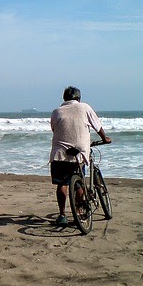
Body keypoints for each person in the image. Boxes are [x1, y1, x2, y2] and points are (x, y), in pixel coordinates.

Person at [49, 86, 111, 226]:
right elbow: (97, 126)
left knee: (62, 184)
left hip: (60, 152)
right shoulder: (84, 107)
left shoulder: (56, 111)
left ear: (64, 99)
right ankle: (81, 212)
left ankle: (62, 215)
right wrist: (105, 137)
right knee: (79, 182)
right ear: (78, 98)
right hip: (80, 151)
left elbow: (54, 129)